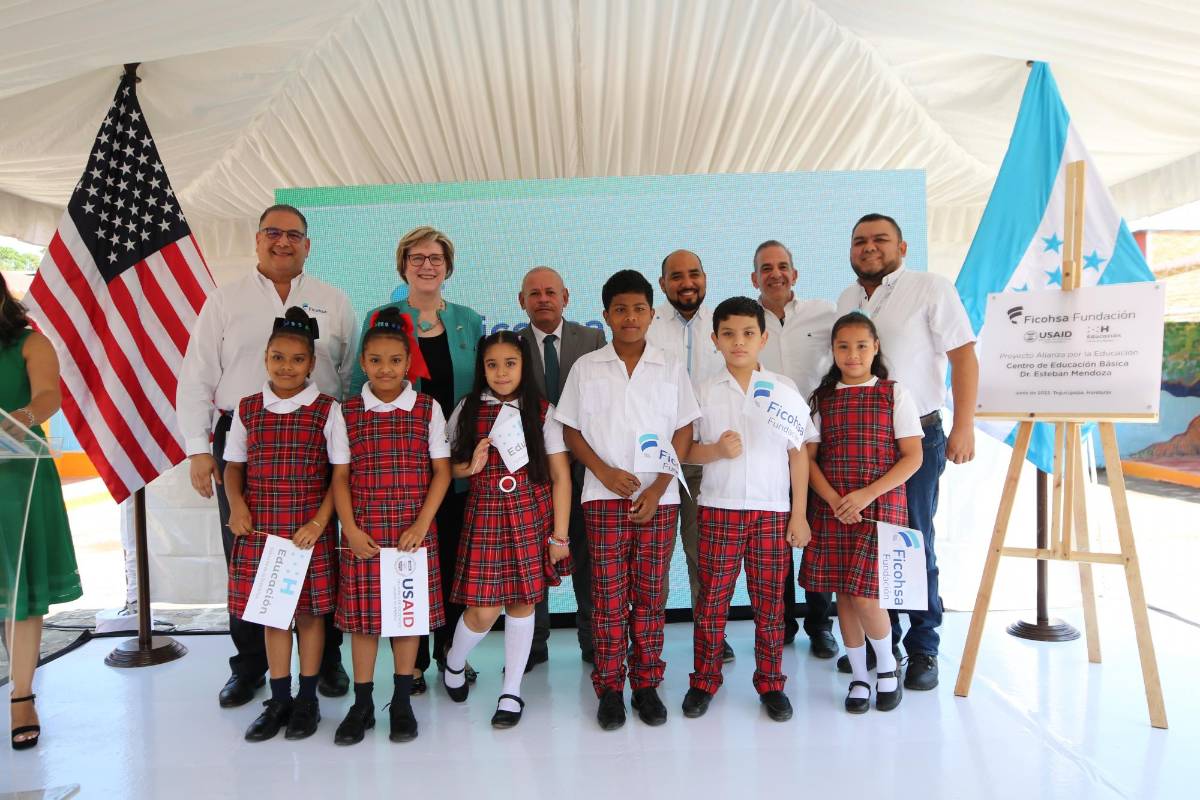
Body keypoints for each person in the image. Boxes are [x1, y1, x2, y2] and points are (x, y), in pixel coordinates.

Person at [178, 204, 355, 708]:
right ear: (257, 240)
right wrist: (198, 448)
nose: (283, 243)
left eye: (293, 235)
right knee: (247, 553)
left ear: (307, 244)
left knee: (321, 553)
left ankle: (328, 662)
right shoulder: (224, 300)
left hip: (316, 439)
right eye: (272, 234)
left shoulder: (334, 301)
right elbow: (197, 375)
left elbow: (344, 376)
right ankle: (252, 665)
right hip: (243, 437)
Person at [836, 214, 978, 690]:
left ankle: (923, 648)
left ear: (902, 245)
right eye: (860, 241)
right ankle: (884, 644)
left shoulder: (931, 287)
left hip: (916, 437)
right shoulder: (848, 299)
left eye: (879, 240)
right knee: (868, 547)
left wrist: (964, 426)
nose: (869, 247)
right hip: (859, 445)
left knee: (913, 543)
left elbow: (963, 355)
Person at [555, 270, 700, 731]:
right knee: (608, 595)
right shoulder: (586, 367)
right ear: (605, 315)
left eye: (639, 308)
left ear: (651, 314)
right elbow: (571, 429)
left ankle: (647, 684)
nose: (630, 317)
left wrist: (658, 487)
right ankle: (610, 688)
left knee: (650, 594)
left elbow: (684, 428)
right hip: (602, 496)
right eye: (620, 309)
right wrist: (601, 470)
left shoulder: (669, 365)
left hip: (659, 500)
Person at [351, 226, 483, 694]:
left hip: (458, 468)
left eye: (436, 257)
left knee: (452, 561)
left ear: (448, 265)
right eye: (417, 257)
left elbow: (481, 392)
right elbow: (356, 389)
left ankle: (452, 655)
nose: (427, 265)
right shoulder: (383, 316)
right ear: (402, 264)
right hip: (398, 471)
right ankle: (413, 665)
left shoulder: (469, 320)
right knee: (408, 563)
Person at [681, 297, 811, 723]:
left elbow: (798, 455)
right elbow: (685, 452)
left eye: (749, 333)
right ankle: (704, 680)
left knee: (771, 603)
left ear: (764, 338)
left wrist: (799, 514)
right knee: (712, 601)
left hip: (772, 511)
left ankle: (771, 683)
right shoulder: (702, 390)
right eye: (730, 334)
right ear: (715, 338)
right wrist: (716, 449)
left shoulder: (784, 389)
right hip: (719, 508)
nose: (739, 342)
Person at [223, 307, 348, 742]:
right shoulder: (248, 408)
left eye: (297, 359)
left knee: (311, 616)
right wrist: (236, 504)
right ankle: (279, 699)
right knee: (274, 617)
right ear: (266, 357)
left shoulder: (327, 411)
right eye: (278, 357)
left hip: (306, 532)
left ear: (312, 364)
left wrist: (319, 521)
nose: (287, 367)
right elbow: (233, 466)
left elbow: (340, 475)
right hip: (263, 531)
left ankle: (308, 698)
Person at [330, 307, 451, 745]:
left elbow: (440, 472)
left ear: (407, 363)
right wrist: (350, 529)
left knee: (406, 617)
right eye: (376, 360)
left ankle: (401, 700)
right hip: (365, 531)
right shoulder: (346, 413)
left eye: (395, 360)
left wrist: (421, 524)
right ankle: (361, 703)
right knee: (363, 623)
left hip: (411, 534)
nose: (385, 369)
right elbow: (340, 478)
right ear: (363, 363)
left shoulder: (426, 408)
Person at [441, 331, 573, 728]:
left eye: (510, 364)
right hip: (484, 517)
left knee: (522, 603)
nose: (501, 373)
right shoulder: (467, 408)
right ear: (482, 368)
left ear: (523, 366)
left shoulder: (542, 410)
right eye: (492, 364)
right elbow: (444, 468)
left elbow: (561, 479)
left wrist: (560, 537)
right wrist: (468, 468)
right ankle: (454, 661)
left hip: (531, 519)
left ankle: (511, 690)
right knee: (481, 612)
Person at [802, 312, 923, 713]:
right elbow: (809, 459)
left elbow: (912, 457)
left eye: (861, 346)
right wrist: (835, 499)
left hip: (878, 509)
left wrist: (867, 495)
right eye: (843, 346)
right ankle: (858, 675)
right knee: (845, 596)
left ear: (875, 348)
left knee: (867, 595)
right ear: (833, 351)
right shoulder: (822, 399)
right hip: (833, 509)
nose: (852, 354)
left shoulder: (894, 394)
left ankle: (887, 667)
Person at [0, 273, 83, 750]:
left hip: (16, 478)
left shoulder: (31, 341)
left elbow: (48, 397)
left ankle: (22, 697)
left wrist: (17, 422)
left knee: (18, 593)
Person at [751, 240, 838, 658]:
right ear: (754, 278)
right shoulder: (747, 321)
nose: (775, 273)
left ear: (795, 273)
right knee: (773, 540)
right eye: (766, 268)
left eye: (783, 265)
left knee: (816, 537)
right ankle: (780, 622)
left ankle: (820, 624)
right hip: (766, 450)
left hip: (818, 444)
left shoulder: (824, 314)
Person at [645, 250, 732, 663]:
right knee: (653, 557)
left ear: (705, 277)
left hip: (706, 459)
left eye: (694, 273)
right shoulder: (646, 324)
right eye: (676, 276)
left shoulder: (725, 325)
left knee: (704, 553)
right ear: (662, 283)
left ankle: (711, 633)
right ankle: (646, 637)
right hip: (655, 462)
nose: (686, 282)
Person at [517, 267, 606, 666]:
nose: (543, 299)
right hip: (531, 474)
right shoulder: (509, 345)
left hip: (586, 468)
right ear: (522, 302)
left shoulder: (591, 339)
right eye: (534, 293)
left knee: (588, 559)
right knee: (533, 559)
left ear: (566, 297)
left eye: (550, 292)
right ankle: (534, 644)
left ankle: (591, 639)